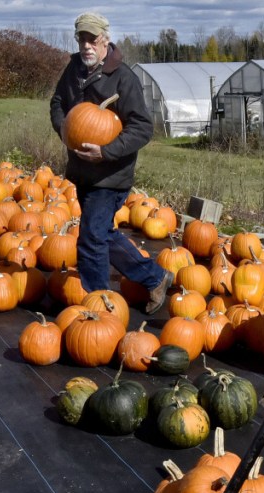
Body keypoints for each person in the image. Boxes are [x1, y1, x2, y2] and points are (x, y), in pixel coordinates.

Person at [50, 12, 172, 314]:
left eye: (93, 39)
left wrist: (106, 151)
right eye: (82, 38)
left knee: (91, 240)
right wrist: (64, 128)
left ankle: (99, 308)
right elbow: (57, 103)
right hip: (83, 170)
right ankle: (156, 277)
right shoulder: (75, 70)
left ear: (105, 39)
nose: (87, 45)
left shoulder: (123, 77)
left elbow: (142, 127)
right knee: (101, 233)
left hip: (110, 175)